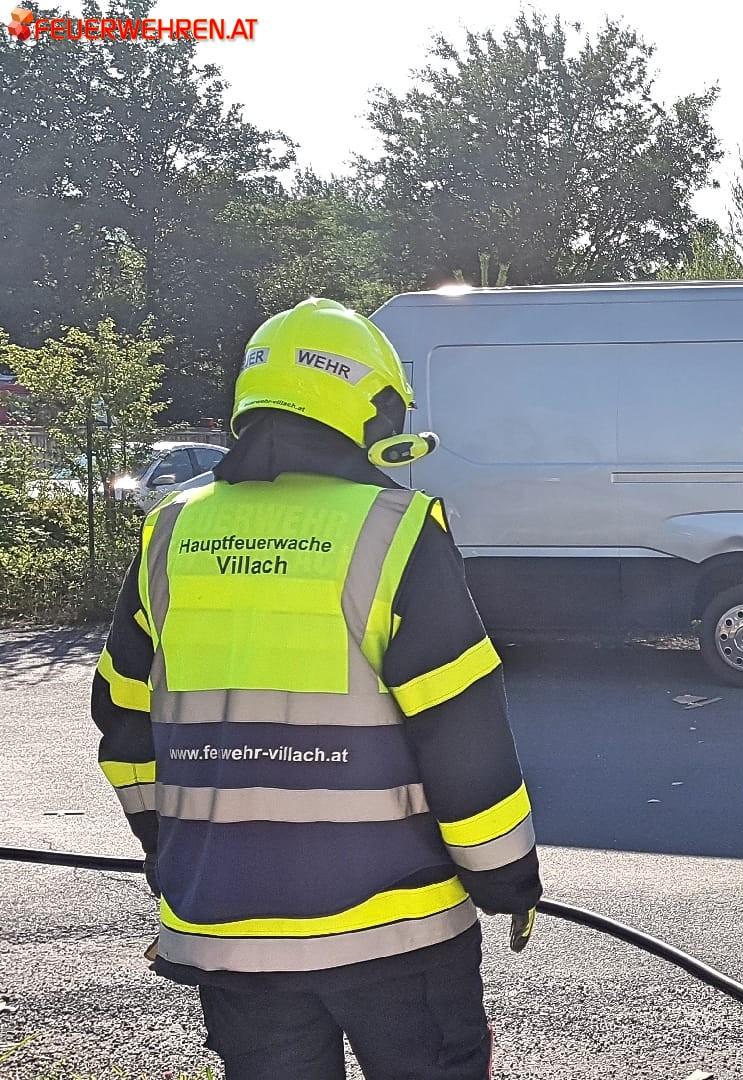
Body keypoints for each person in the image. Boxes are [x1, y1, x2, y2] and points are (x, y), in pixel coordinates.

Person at [91, 298, 542, 1080]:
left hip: (229, 930)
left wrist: (172, 848)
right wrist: (505, 876)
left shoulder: (170, 531)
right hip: (397, 934)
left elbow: (123, 723)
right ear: (367, 408)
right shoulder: (395, 530)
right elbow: (461, 730)